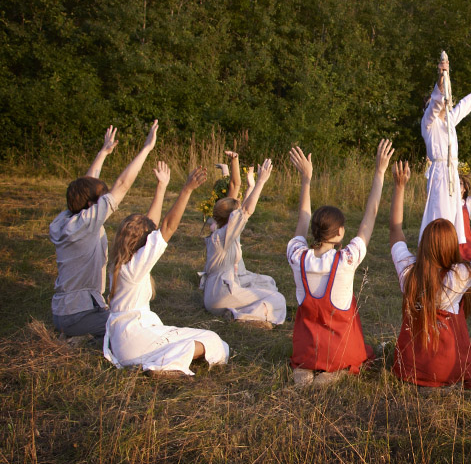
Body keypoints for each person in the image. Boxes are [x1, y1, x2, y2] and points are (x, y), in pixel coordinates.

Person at [388, 159, 471, 389]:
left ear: (423, 242)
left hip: (408, 367)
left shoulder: (408, 270)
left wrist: (399, 187)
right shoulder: (457, 277)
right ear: (452, 247)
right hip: (445, 369)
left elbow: (395, 229)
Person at [104, 164, 229, 377]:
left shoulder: (120, 263)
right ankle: (167, 364)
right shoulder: (136, 267)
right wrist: (186, 190)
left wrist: (161, 187)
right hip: (137, 339)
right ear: (144, 243)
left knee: (198, 338)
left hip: (121, 343)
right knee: (215, 341)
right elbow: (167, 227)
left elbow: (150, 226)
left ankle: (161, 360)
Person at [286, 141, 394, 387]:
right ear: (339, 233)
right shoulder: (346, 260)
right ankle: (334, 372)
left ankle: (304, 372)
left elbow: (302, 219)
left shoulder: (296, 256)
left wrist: (306, 179)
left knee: (304, 363)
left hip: (307, 351)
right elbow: (370, 218)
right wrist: (379, 172)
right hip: (339, 351)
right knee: (353, 356)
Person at [50, 121, 159, 340]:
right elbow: (123, 184)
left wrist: (103, 153)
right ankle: (82, 338)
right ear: (92, 206)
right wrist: (146, 148)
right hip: (79, 314)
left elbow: (85, 186)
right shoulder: (86, 223)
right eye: (101, 199)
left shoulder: (67, 219)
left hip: (64, 312)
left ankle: (81, 336)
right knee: (132, 329)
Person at [201, 157, 286, 327]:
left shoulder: (220, 229)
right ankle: (240, 316)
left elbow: (240, 208)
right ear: (231, 219)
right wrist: (261, 181)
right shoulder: (223, 236)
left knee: (269, 283)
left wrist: (252, 186)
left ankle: (243, 311)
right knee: (278, 299)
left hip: (218, 291)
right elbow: (245, 210)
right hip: (221, 295)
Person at [419, 53, 471, 247]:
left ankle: (449, 249)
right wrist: (442, 77)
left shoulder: (449, 121)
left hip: (451, 173)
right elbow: (435, 104)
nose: (444, 105)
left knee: (452, 214)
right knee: (439, 214)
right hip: (440, 174)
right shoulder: (428, 123)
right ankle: (434, 248)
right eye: (441, 102)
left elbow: (463, 106)